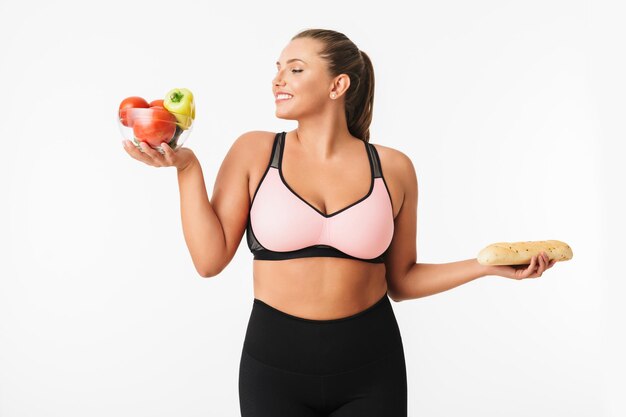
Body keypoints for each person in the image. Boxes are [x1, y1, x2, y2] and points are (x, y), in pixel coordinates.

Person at [122, 28, 557, 417]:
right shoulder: (255, 152)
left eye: (295, 69)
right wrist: (187, 168)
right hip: (274, 369)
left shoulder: (394, 168)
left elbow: (401, 281)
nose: (278, 80)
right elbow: (208, 260)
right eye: (278, 69)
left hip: (372, 368)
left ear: (338, 84)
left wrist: (487, 266)